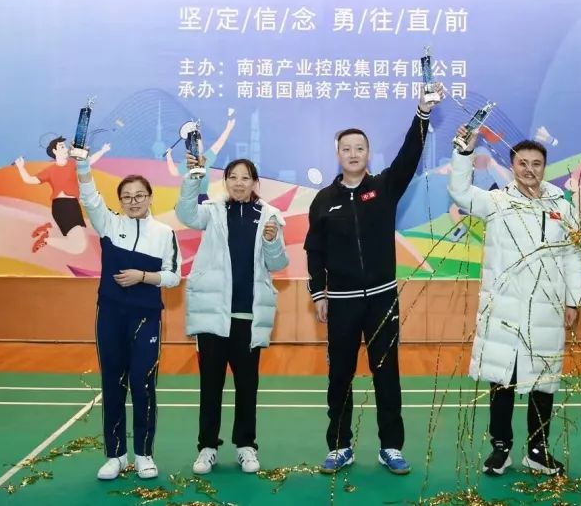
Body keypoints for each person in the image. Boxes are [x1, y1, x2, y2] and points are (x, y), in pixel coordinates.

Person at [305, 85, 444, 475]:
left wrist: (422, 113)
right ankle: (340, 446)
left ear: (368, 154)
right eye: (347, 148)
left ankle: (391, 446)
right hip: (342, 302)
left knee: (387, 374)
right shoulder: (323, 200)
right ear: (338, 154)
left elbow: (409, 155)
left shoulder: (384, 188)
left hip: (383, 298)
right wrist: (318, 293)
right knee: (340, 376)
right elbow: (314, 251)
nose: (353, 153)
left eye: (360, 148)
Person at [448, 126, 581, 476]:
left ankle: (538, 451)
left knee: (543, 381)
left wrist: (573, 301)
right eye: (522, 163)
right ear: (512, 166)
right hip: (504, 310)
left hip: (547, 311)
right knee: (502, 380)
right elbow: (460, 191)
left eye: (536, 163)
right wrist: (464, 153)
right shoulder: (496, 202)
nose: (529, 169)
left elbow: (573, 256)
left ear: (545, 167)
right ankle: (501, 448)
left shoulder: (562, 207)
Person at [175, 155, 288, 475]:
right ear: (225, 181)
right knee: (210, 385)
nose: (239, 183)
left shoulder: (269, 215)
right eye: (233, 177)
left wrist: (271, 241)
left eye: (245, 177)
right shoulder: (211, 211)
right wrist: (194, 176)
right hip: (213, 315)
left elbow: (278, 263)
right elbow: (185, 214)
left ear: (255, 183)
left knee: (247, 387)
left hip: (248, 317)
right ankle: (207, 447)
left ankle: (246, 446)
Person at [76, 158, 181, 480]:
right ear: (120, 201)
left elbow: (173, 276)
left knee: (143, 384)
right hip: (110, 315)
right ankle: (116, 456)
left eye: (139, 196)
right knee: (113, 384)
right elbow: (90, 198)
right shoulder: (109, 225)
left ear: (150, 197)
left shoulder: (164, 233)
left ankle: (144, 455)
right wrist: (82, 166)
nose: (133, 202)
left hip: (146, 318)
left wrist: (143, 276)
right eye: (127, 197)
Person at [15, 136, 110, 254]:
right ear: (54, 151)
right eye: (61, 147)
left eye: (65, 146)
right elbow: (29, 180)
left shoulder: (72, 164)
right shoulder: (50, 170)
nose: (65, 149)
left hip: (72, 206)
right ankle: (46, 238)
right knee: (78, 247)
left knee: (76, 244)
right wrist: (21, 167)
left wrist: (103, 150)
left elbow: (88, 161)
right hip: (63, 206)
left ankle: (48, 230)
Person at [166, 109, 237, 203]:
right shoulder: (201, 159)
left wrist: (169, 156)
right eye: (198, 142)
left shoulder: (197, 160)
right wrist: (228, 129)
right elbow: (218, 144)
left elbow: (174, 172)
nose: (201, 144)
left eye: (200, 142)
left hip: (196, 198)